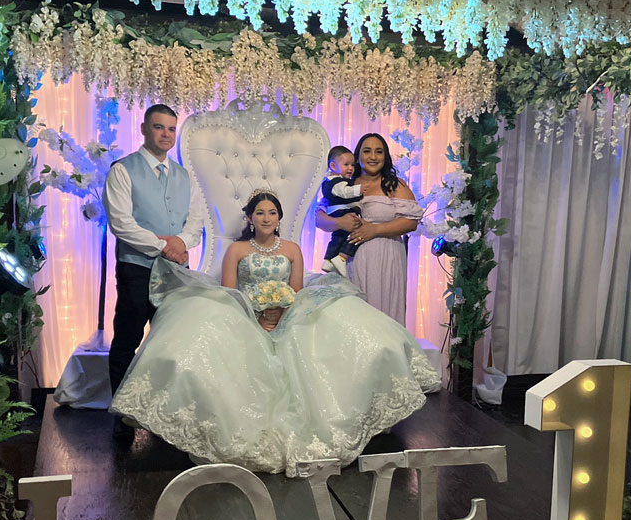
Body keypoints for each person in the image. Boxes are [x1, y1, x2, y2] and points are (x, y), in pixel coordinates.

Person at [109, 189, 440, 476]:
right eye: (260, 213)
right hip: (245, 312)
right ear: (251, 218)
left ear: (279, 218)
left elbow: (295, 291)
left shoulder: (292, 249)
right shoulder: (237, 251)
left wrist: (279, 311)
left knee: (349, 329)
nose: (266, 218)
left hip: (287, 312)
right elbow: (229, 292)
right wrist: (256, 314)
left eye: (272, 212)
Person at [103, 103, 205, 439]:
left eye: (171, 129)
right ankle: (121, 416)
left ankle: (168, 420)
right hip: (137, 269)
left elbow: (196, 220)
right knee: (127, 341)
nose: (166, 135)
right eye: (159, 127)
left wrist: (181, 243)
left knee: (172, 344)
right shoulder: (123, 170)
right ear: (145, 129)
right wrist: (163, 246)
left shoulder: (183, 175)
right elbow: (121, 223)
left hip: (177, 272)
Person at [315, 133, 422, 326]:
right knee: (353, 318)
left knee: (384, 317)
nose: (373, 156)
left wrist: (375, 230)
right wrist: (340, 223)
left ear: (385, 156)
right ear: (357, 156)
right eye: (367, 151)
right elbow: (320, 219)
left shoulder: (395, 185)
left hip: (387, 259)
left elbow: (411, 222)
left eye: (378, 152)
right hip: (349, 260)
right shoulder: (344, 184)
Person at [319, 145, 361, 274]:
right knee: (355, 235)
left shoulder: (331, 180)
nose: (350, 168)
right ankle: (342, 257)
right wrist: (359, 189)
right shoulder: (338, 182)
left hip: (337, 211)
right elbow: (344, 192)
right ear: (333, 166)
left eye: (352, 165)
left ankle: (328, 259)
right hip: (343, 211)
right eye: (346, 164)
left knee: (337, 237)